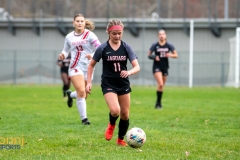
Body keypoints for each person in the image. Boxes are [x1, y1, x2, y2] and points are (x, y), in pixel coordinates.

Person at [86, 19, 140, 146]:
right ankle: (111, 125)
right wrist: (89, 82)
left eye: (119, 33)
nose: (117, 36)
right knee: (115, 110)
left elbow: (137, 67)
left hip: (123, 84)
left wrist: (129, 72)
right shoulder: (102, 48)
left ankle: (120, 139)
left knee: (125, 114)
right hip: (108, 84)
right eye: (114, 33)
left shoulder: (126, 47)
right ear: (108, 33)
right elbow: (91, 66)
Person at [58, 14, 101, 125]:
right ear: (74, 22)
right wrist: (62, 55)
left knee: (84, 94)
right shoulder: (69, 37)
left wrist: (92, 54)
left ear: (84, 23)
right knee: (81, 92)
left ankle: (71, 95)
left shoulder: (90, 35)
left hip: (88, 67)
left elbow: (100, 49)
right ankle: (84, 120)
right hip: (75, 67)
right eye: (77, 21)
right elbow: (65, 50)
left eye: (82, 21)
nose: (80, 23)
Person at [147, 29, 178, 109]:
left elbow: (176, 55)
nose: (161, 35)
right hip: (157, 66)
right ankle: (158, 103)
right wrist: (154, 57)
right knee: (160, 84)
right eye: (160, 34)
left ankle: (158, 103)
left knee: (161, 86)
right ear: (158, 36)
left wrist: (170, 55)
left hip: (165, 67)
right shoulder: (155, 45)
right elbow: (149, 55)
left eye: (163, 34)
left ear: (165, 35)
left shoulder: (169, 45)